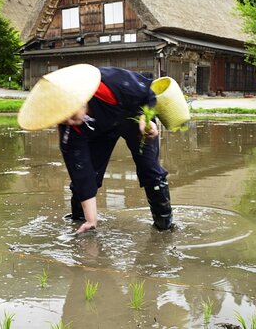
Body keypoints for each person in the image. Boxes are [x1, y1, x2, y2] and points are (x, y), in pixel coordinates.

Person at [18, 64, 173, 234]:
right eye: (63, 120)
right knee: (84, 179)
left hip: (132, 116)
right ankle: (82, 224)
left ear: (79, 98)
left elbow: (148, 94)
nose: (69, 122)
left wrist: (147, 117)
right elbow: (81, 172)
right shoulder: (70, 131)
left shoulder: (112, 81)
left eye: (70, 114)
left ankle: (164, 227)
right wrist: (92, 220)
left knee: (149, 169)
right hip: (97, 129)